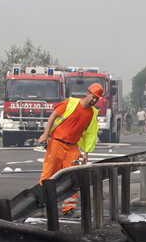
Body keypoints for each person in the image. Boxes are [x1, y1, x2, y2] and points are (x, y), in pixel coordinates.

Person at [37, 82, 101, 216]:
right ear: (87, 93)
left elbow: (90, 134)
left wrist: (85, 153)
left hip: (72, 148)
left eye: (97, 98)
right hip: (56, 144)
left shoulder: (91, 114)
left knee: (72, 178)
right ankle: (40, 205)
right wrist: (46, 134)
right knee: (48, 175)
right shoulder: (71, 103)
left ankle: (69, 208)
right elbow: (53, 116)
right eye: (93, 96)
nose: (94, 100)